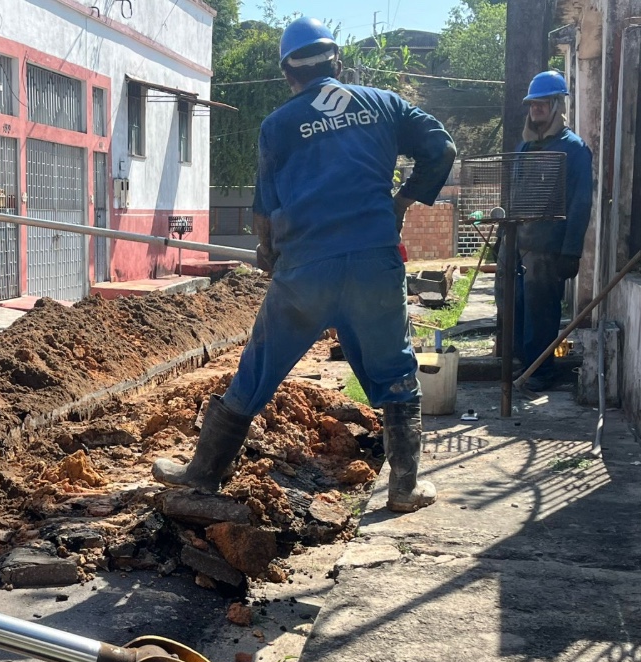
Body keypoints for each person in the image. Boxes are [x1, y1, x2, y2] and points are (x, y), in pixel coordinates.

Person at [152, 17, 456, 513]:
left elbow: (264, 215)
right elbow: (442, 148)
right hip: (373, 265)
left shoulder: (278, 126)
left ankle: (204, 474)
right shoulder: (383, 104)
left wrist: (269, 258)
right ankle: (404, 488)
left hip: (307, 271)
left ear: (288, 74)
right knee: (395, 371)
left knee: (256, 371)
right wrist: (403, 203)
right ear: (337, 62)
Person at [499, 70, 594, 392]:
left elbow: (581, 202)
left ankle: (541, 371)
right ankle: (521, 363)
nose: (535, 109)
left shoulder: (574, 149)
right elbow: (514, 193)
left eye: (542, 104)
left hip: (548, 247)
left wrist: (571, 251)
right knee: (512, 305)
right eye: (532, 104)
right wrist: (504, 237)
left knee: (541, 312)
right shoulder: (525, 147)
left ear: (556, 105)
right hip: (517, 242)